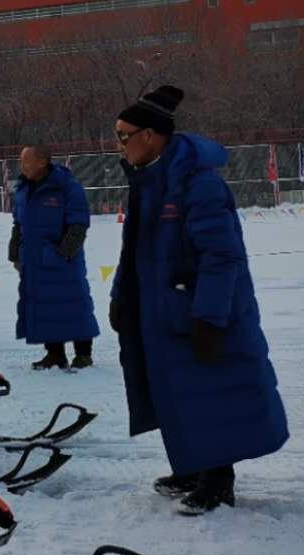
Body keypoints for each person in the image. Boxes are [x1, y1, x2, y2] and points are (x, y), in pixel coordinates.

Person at [109, 85, 289, 515]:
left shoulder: (198, 184)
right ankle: (192, 465)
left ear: (151, 135)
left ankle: (218, 479)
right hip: (163, 310)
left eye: (122, 135)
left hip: (200, 310)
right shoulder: (150, 180)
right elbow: (133, 250)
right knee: (176, 392)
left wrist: (209, 317)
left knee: (212, 391)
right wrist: (121, 295)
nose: (117, 144)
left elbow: (221, 256)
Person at [9, 144, 99, 370]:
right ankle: (55, 354)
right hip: (33, 261)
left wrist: (63, 253)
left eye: (25, 161)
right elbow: (18, 224)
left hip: (64, 262)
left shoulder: (67, 187)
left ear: (42, 162)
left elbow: (78, 223)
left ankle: (83, 354)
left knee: (74, 306)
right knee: (45, 308)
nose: (21, 166)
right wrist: (14, 253)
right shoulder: (22, 189)